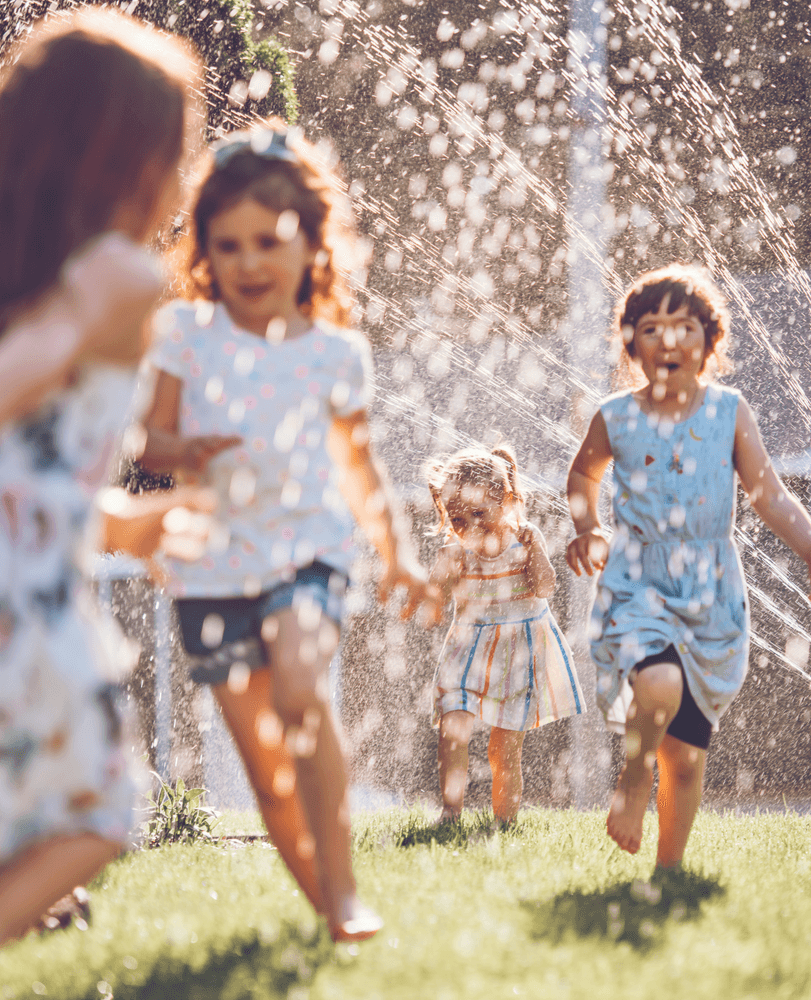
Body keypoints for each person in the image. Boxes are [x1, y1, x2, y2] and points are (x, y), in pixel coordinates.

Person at [138, 122, 433, 942]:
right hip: (209, 568)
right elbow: (149, 441)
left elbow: (361, 469)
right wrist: (184, 448)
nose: (249, 262)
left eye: (269, 241)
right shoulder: (185, 338)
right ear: (204, 252)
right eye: (227, 246)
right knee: (267, 777)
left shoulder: (333, 353)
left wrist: (398, 555)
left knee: (301, 690)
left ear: (311, 239)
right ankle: (329, 910)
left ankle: (344, 892)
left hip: (308, 551)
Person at [0, 9, 205, 945]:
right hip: (22, 597)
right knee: (96, 808)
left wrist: (128, 526)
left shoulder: (38, 274)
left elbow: (42, 470)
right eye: (179, 143)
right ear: (125, 156)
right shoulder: (116, 279)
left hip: (32, 565)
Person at [565, 263, 811, 871]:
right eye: (652, 327)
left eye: (684, 326)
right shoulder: (616, 416)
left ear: (709, 343)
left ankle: (669, 872)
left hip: (709, 591)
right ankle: (633, 781)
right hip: (638, 579)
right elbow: (583, 475)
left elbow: (768, 494)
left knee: (685, 759)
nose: (668, 340)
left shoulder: (728, 412)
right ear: (631, 343)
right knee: (658, 684)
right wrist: (589, 527)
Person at [427, 445, 584, 823]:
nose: (471, 527)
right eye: (459, 520)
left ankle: (505, 821)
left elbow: (545, 588)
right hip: (469, 646)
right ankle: (451, 813)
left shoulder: (525, 539)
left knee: (502, 749)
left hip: (518, 649)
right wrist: (437, 582)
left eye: (480, 513)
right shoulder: (458, 551)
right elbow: (435, 599)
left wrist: (537, 553)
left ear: (508, 500)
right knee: (453, 726)